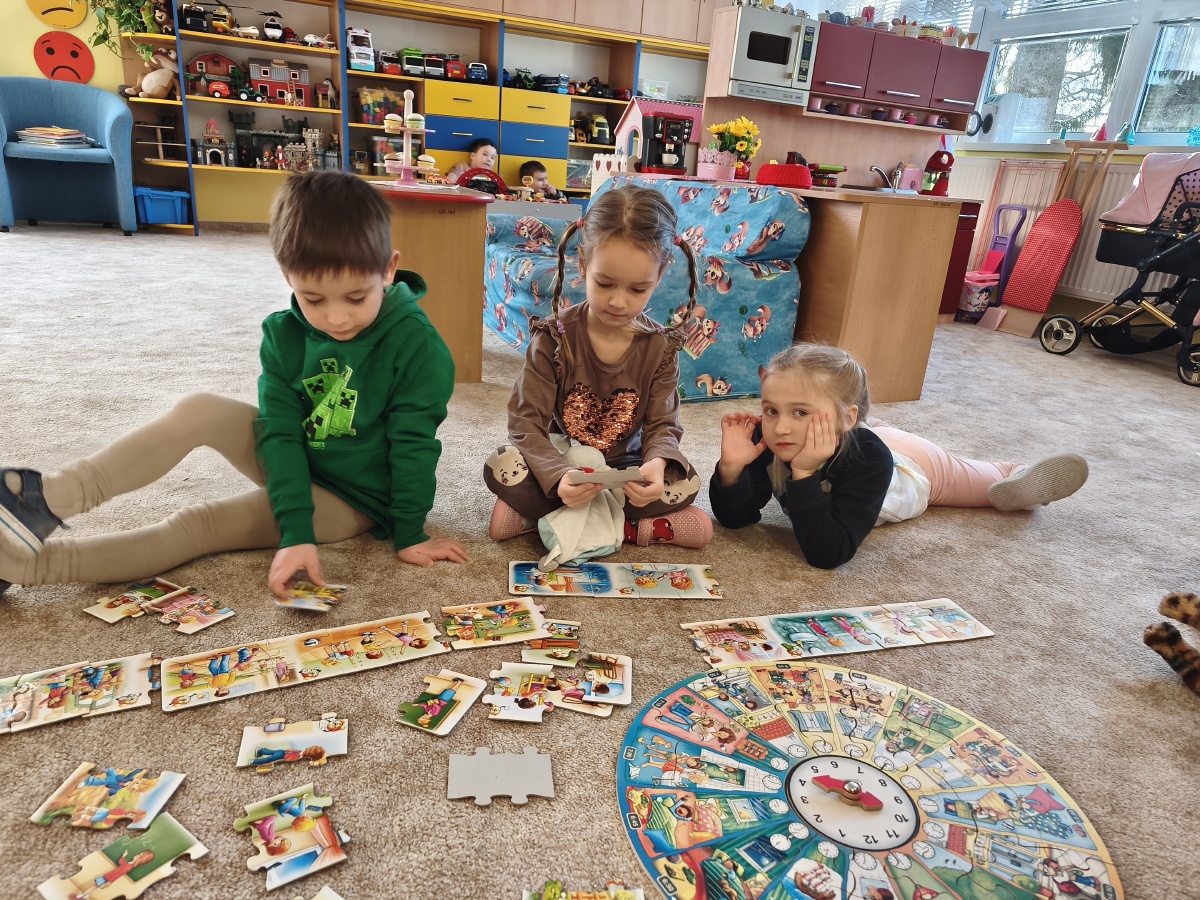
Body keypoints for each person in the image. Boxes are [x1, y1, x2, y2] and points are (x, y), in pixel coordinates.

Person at [0, 170, 467, 600]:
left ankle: (27, 568)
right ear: (287, 276)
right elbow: (279, 432)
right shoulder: (283, 333)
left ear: (388, 270)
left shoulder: (418, 346)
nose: (336, 317)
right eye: (313, 299)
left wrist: (408, 532)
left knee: (199, 525)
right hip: (301, 458)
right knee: (199, 408)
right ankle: (41, 498)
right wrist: (294, 523)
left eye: (356, 297)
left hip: (354, 499)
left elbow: (414, 446)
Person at [710, 342, 1089, 569]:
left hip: (910, 469)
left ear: (845, 418)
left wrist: (805, 474)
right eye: (771, 409)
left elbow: (827, 553)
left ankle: (1018, 475)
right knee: (874, 432)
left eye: (800, 412)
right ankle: (874, 423)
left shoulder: (871, 461)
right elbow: (735, 519)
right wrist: (731, 469)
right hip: (859, 433)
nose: (780, 427)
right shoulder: (769, 439)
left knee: (980, 481)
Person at [484, 184, 712, 549]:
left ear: (660, 275)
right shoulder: (554, 337)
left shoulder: (661, 346)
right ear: (582, 263)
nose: (618, 302)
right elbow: (525, 423)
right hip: (564, 459)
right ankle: (630, 526)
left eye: (637, 289)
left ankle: (542, 517)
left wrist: (656, 464)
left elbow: (663, 427)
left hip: (626, 469)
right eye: (604, 283)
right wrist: (558, 475)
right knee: (501, 466)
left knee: (684, 480)